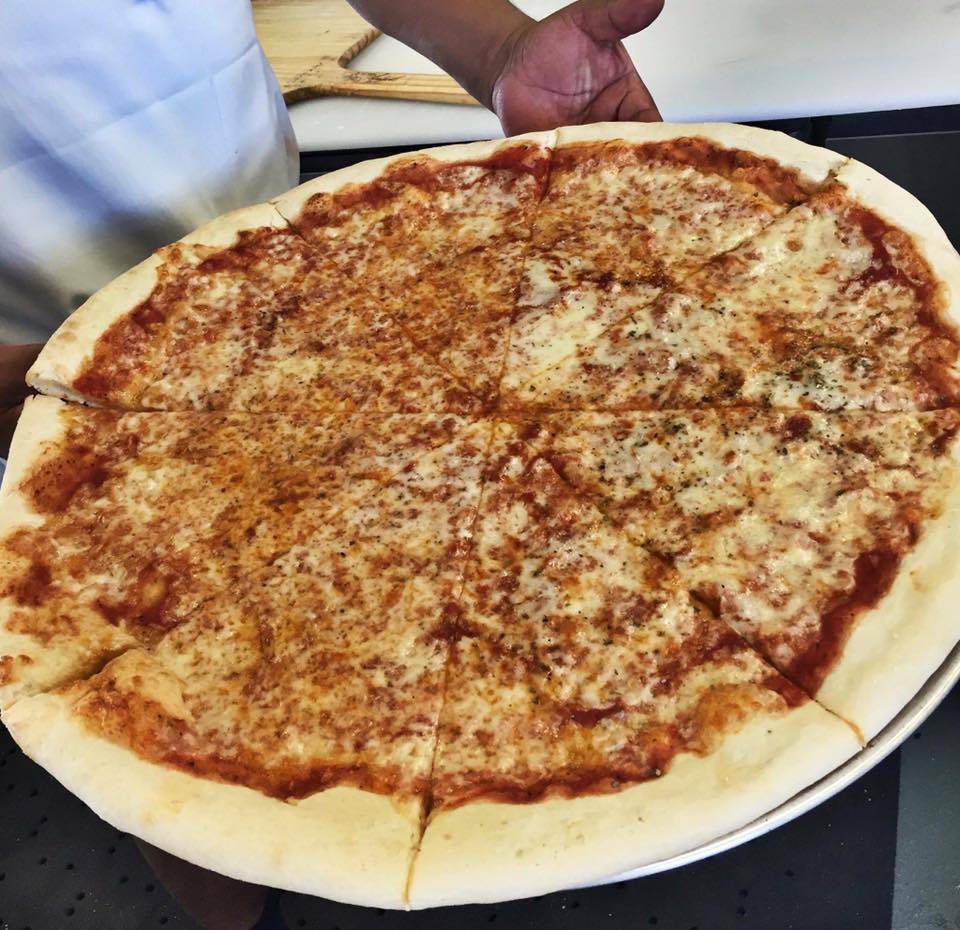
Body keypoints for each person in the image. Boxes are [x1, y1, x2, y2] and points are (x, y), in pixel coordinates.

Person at [0, 1, 662, 925]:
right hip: (55, 396)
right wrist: (65, 383)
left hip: (306, 266)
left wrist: (500, 46)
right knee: (166, 744)